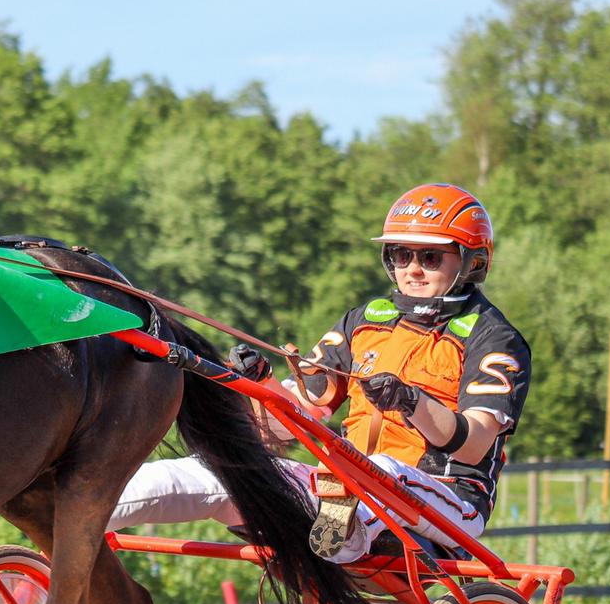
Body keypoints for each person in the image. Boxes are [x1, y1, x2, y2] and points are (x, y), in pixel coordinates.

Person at [110, 182, 532, 576]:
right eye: (402, 255)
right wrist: (258, 383)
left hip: (448, 503)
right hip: (346, 487)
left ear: (471, 261)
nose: (413, 269)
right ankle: (78, 509)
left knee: (382, 470)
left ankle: (335, 541)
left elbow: (476, 444)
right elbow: (293, 420)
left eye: (430, 257)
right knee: (219, 469)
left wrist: (410, 402)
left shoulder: (494, 337)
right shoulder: (363, 321)